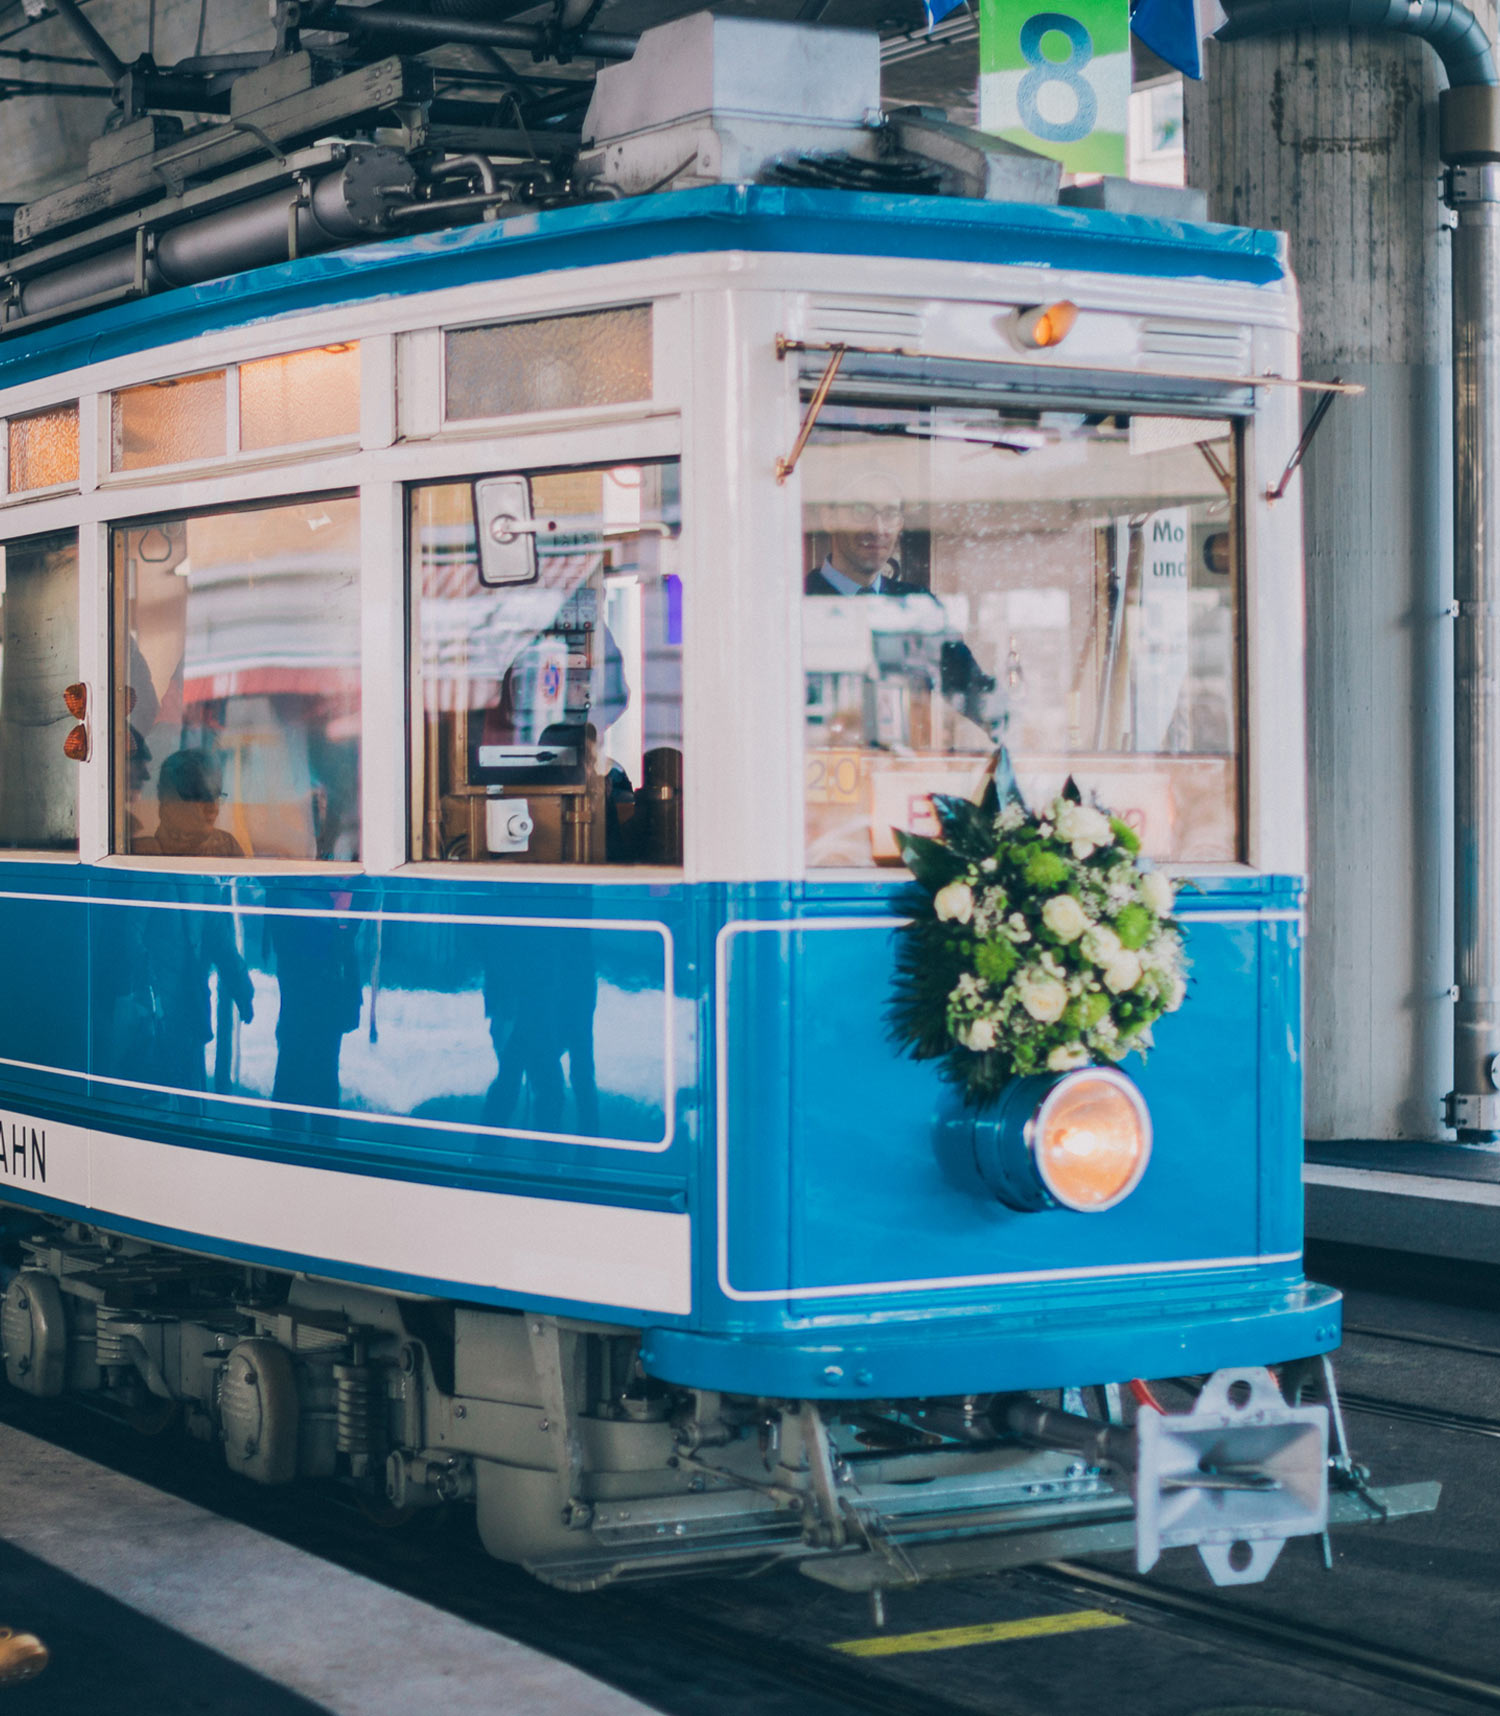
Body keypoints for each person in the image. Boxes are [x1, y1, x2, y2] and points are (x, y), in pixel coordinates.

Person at [134, 750, 245, 860]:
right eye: (201, 796)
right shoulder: (138, 854)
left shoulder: (228, 847)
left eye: (216, 796)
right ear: (168, 799)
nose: (213, 808)